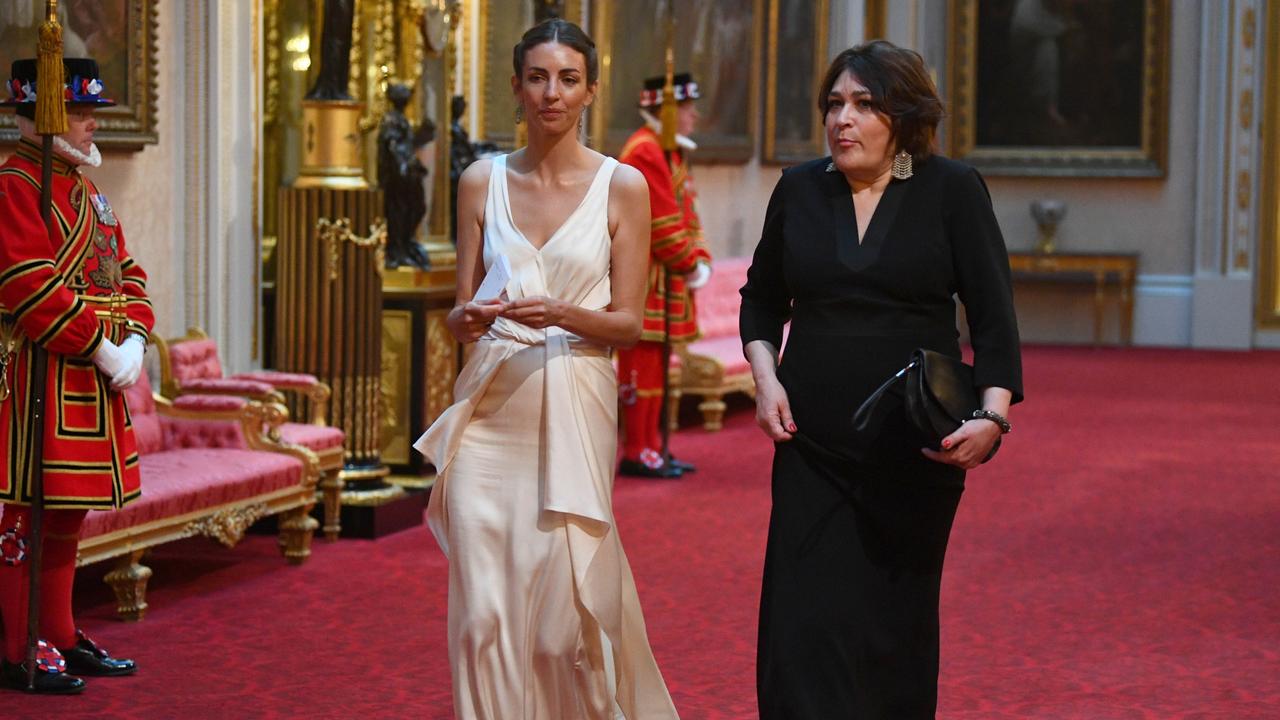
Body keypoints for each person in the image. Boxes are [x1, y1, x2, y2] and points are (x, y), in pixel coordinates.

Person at [740, 41, 1023, 718]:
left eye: (865, 104)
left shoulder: (951, 189)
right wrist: (764, 376)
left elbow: (993, 319)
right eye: (835, 103)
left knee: (891, 630)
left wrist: (993, 417)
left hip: (913, 451)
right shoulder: (800, 186)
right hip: (810, 445)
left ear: (903, 114)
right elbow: (761, 298)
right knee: (801, 629)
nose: (844, 119)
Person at [413, 19, 679, 719]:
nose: (551, 93)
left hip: (574, 409)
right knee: (480, 620)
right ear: (515, 88)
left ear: (591, 89)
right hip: (488, 417)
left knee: (563, 632)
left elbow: (628, 323)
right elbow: (458, 312)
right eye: (537, 78)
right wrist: (465, 320)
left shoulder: (622, 186)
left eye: (567, 78)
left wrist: (562, 312)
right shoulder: (480, 181)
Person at [0, 58, 154, 694]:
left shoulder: (86, 189)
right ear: (48, 116)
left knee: (68, 513)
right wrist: (99, 345)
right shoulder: (15, 183)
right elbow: (24, 285)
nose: (96, 124)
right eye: (85, 113)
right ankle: (18, 647)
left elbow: (129, 272)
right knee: (24, 517)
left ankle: (59, 633)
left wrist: (136, 337)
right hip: (40, 375)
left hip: (88, 382)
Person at [616, 72, 712, 479]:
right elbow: (660, 222)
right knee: (641, 368)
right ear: (668, 112)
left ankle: (653, 446)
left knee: (658, 365)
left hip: (667, 280)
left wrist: (700, 255)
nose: (694, 116)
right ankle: (637, 450)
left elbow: (688, 214)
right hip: (646, 278)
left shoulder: (670, 152)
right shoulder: (644, 151)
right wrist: (690, 262)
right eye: (687, 109)